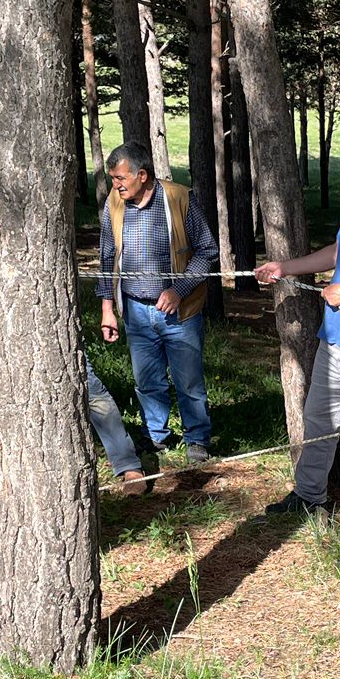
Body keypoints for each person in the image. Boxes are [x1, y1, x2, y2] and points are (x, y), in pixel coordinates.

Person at [257, 152, 340, 522]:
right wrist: (285, 268)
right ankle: (309, 495)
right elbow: (338, 251)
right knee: (318, 419)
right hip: (334, 339)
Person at [95, 142, 221, 463]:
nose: (116, 185)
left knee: (189, 381)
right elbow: (107, 256)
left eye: (121, 178)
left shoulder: (179, 198)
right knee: (147, 380)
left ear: (142, 174)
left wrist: (179, 290)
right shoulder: (114, 203)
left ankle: (197, 440)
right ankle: (156, 436)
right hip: (135, 310)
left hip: (180, 311)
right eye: (113, 178)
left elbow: (207, 251)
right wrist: (107, 308)